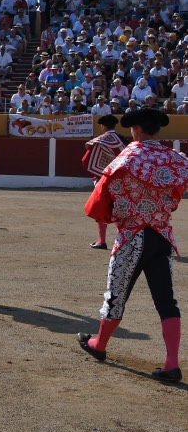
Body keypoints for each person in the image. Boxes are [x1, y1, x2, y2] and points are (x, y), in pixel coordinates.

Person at [81, 107, 188, 382]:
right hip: (162, 236)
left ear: (137, 129)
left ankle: (99, 345)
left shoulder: (126, 158)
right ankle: (172, 364)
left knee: (117, 293)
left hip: (132, 236)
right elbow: (176, 193)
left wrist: (115, 215)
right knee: (167, 301)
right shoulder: (175, 159)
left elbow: (101, 200)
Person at [82, 114, 128, 250]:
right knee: (119, 207)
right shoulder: (123, 140)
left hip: (104, 178)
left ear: (103, 126)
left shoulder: (100, 141)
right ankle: (124, 239)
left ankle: (101, 240)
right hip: (121, 178)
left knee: (102, 207)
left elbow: (86, 160)